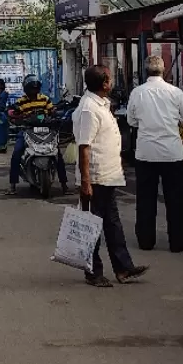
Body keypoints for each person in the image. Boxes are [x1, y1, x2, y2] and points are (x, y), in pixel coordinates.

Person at [73, 64, 148, 287]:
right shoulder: (88, 108)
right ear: (105, 83)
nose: (113, 81)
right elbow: (84, 146)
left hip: (108, 175)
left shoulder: (101, 104)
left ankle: (123, 268)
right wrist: (86, 181)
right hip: (96, 178)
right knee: (93, 226)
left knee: (112, 224)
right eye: (111, 78)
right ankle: (93, 272)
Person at [127, 55, 183, 253]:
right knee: (175, 199)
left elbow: (131, 121)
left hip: (146, 153)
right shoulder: (175, 92)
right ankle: (177, 243)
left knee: (145, 198)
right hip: (172, 154)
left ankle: (145, 241)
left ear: (146, 71)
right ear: (163, 69)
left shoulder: (137, 93)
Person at [8, 77, 67, 194]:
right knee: (16, 153)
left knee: (58, 154)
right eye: (31, 89)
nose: (34, 91)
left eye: (36, 89)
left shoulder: (45, 99)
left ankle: (64, 184)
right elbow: (13, 111)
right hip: (27, 130)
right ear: (26, 89)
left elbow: (52, 111)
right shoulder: (21, 101)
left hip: (46, 130)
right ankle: (12, 184)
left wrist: (56, 113)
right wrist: (14, 112)